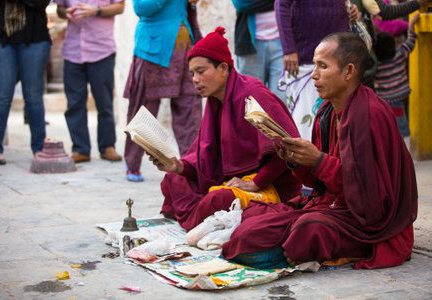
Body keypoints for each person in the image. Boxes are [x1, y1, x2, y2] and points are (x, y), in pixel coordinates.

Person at [222, 32, 417, 270]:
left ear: (348, 71)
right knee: (251, 221)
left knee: (308, 229)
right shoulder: (326, 112)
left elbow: (371, 199)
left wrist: (319, 161)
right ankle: (292, 249)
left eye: (322, 67)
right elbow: (320, 185)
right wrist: (297, 160)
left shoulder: (369, 113)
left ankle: (315, 248)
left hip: (369, 221)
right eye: (314, 66)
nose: (314, 75)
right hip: (332, 205)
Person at [149, 27, 302, 231]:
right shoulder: (215, 103)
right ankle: (202, 219)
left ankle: (199, 220)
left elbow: (287, 149)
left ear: (223, 68)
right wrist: (177, 166)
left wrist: (255, 183)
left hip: (270, 187)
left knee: (219, 199)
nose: (195, 79)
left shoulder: (252, 95)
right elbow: (205, 159)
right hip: (233, 182)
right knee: (173, 179)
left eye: (201, 72)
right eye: (192, 73)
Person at [123, 0, 203, 182]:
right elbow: (141, 8)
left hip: (185, 51)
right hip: (151, 49)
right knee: (142, 110)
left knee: (190, 110)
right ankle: (132, 164)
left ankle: (190, 165)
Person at [56, 0, 124, 163]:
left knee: (104, 102)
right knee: (74, 104)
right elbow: (59, 9)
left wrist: (96, 10)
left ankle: (108, 146)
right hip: (72, 50)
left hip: (102, 50)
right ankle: (80, 149)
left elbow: (120, 7)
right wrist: (65, 13)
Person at [275, 0, 350, 141]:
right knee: (306, 126)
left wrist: (350, 10)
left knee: (336, 126)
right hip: (306, 62)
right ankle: (309, 162)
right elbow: (281, 5)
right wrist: (289, 49)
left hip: (338, 58)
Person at [0, 0, 51, 165]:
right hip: (3, 38)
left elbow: (41, 3)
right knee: (1, 96)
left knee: (33, 96)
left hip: (35, 39)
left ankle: (39, 148)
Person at [231, 0, 286, 103]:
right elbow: (241, 4)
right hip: (250, 45)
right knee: (252, 100)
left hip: (282, 43)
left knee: (281, 100)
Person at [373, 13, 419, 137]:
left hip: (384, 100)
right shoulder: (399, 56)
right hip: (400, 96)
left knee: (388, 127)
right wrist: (412, 24)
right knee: (400, 126)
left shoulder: (376, 64)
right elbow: (411, 41)